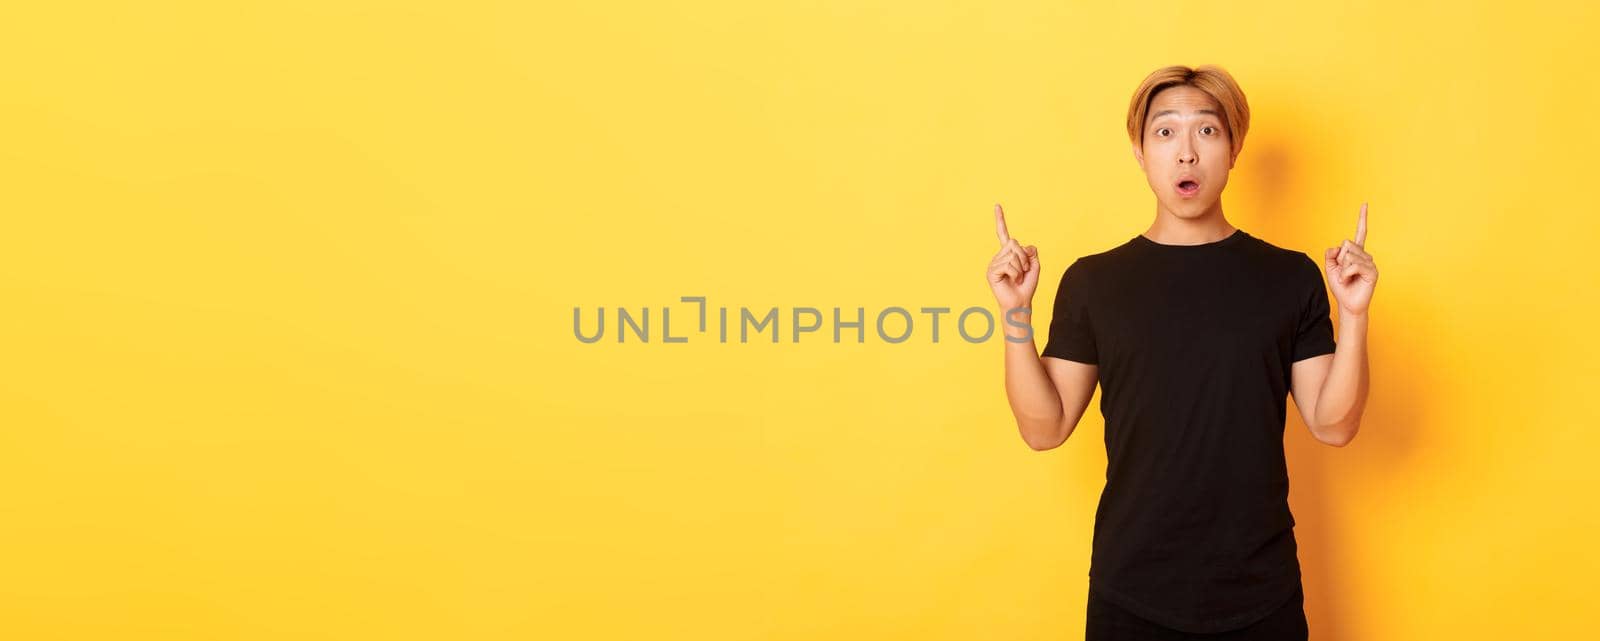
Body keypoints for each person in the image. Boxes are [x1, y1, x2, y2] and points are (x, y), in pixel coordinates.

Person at [985, 64, 1377, 639]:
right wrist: (1014, 314)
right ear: (1141, 153)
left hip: (1260, 593)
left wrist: (1355, 314)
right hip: (1131, 592)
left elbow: (1334, 424)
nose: (1186, 152)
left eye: (1207, 131)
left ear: (1234, 149)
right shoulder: (1095, 283)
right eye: (1165, 132)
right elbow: (1044, 428)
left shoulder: (1289, 277)